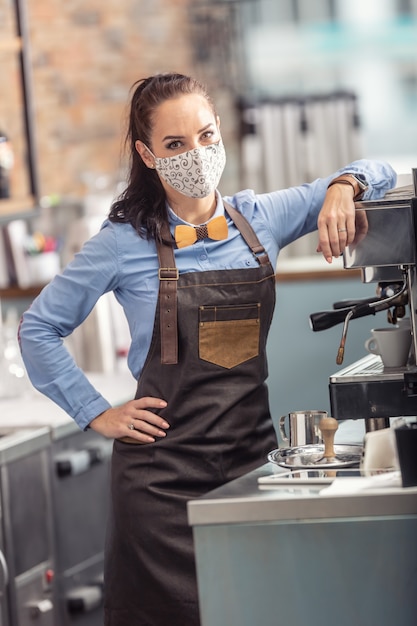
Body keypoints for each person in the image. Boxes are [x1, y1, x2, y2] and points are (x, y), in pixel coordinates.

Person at [18, 72, 396, 626]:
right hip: (159, 485)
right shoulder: (122, 243)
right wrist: (96, 412)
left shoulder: (261, 217)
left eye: (205, 135)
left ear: (220, 133)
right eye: (175, 144)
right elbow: (38, 329)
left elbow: (387, 168)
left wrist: (343, 185)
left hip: (250, 466)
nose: (196, 153)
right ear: (148, 155)